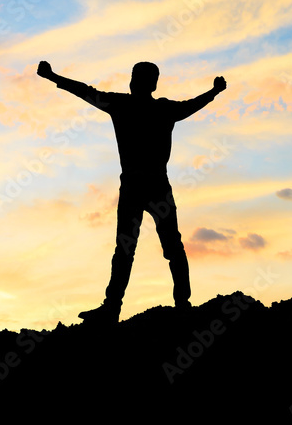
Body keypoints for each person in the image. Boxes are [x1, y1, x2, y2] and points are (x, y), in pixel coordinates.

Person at [37, 59, 227, 323]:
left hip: (144, 187)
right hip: (148, 187)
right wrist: (214, 92)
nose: (133, 80)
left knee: (152, 247)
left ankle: (152, 305)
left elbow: (85, 91)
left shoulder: (130, 105)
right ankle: (131, 306)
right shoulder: (148, 107)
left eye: (137, 75)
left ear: (143, 81)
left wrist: (52, 76)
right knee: (153, 247)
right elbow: (85, 91)